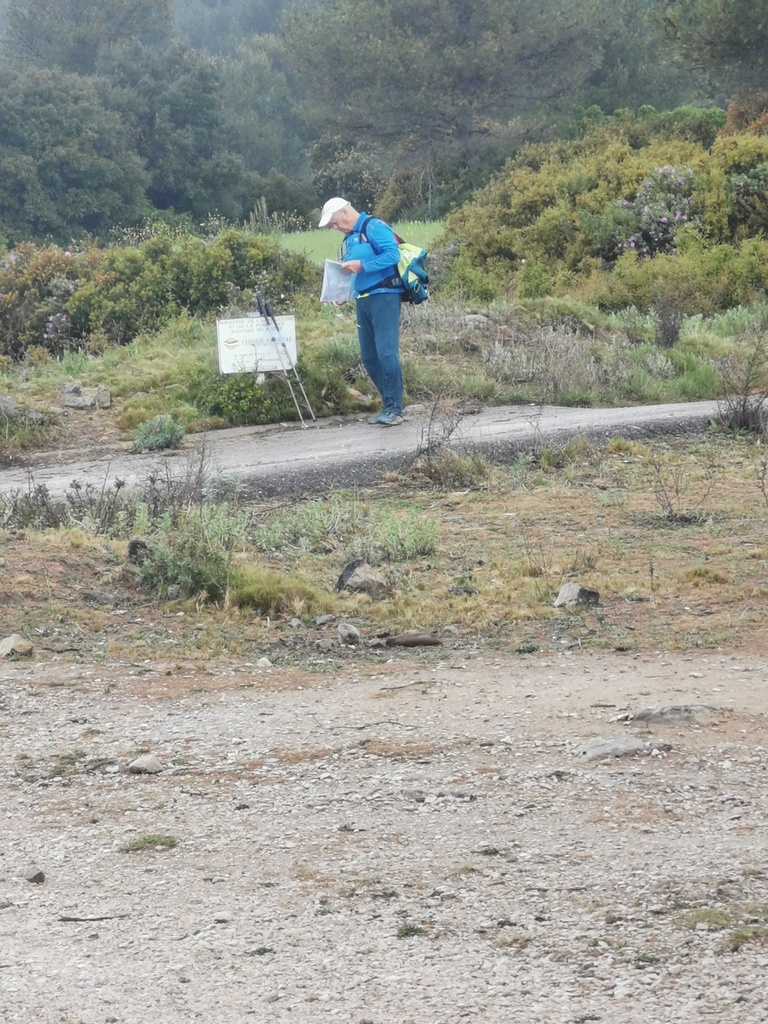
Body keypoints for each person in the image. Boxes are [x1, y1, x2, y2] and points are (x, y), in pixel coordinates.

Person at [319, 197, 404, 426]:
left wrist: (363, 265)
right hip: (363, 299)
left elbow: (392, 254)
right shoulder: (351, 238)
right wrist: (342, 295)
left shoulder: (374, 227)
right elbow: (350, 272)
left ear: (345, 213)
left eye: (335, 223)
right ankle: (388, 404)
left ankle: (394, 408)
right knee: (369, 357)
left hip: (384, 296)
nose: (335, 228)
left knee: (386, 353)